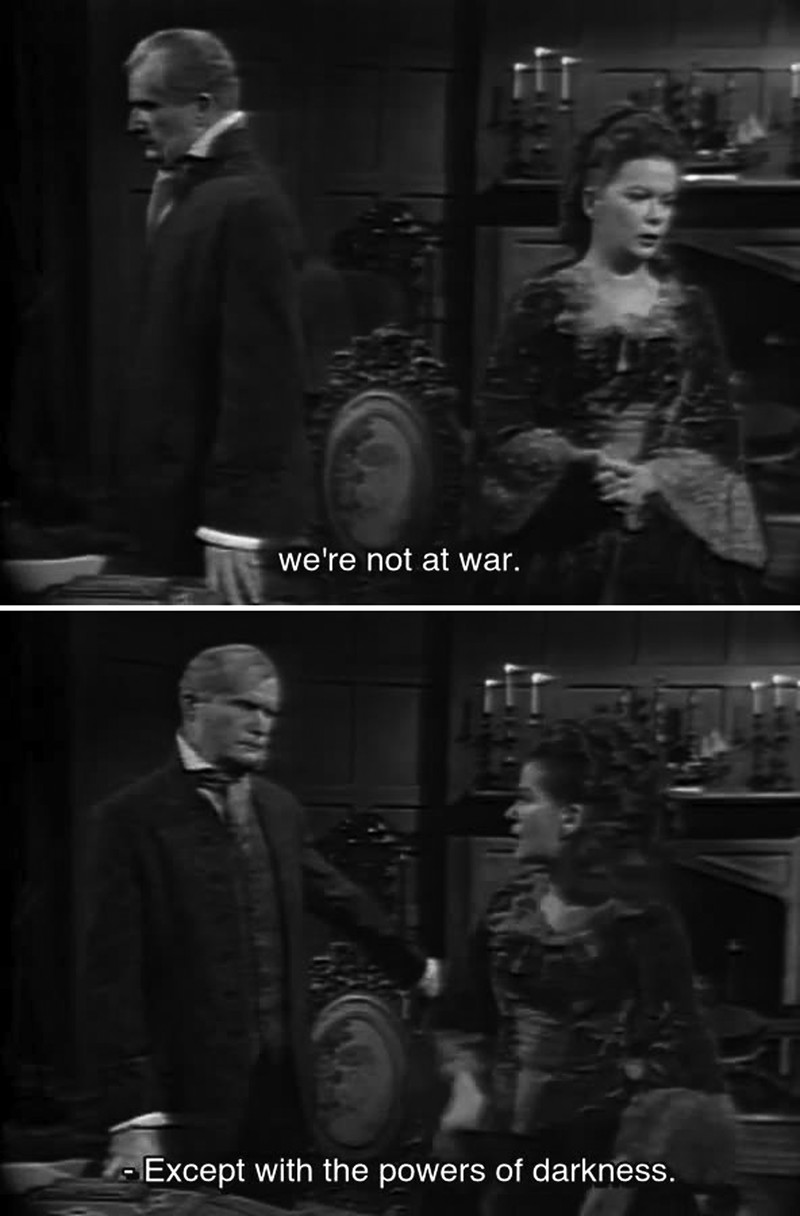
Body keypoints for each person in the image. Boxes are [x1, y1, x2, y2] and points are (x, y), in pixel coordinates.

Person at [82, 644, 441, 1200]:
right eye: (247, 706)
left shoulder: (278, 808)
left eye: (271, 712)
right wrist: (133, 1116)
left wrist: (415, 968)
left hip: (280, 1091)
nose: (262, 725)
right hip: (185, 1101)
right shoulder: (129, 819)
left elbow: (338, 897)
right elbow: (112, 981)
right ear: (193, 705)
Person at [421, 738, 739, 1216]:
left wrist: (626, 1171)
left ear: (570, 818)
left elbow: (676, 1053)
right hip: (505, 1140)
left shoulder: (641, 921)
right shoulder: (507, 909)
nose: (511, 813)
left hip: (605, 1150)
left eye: (526, 799)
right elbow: (465, 1018)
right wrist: (467, 1087)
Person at [474, 105, 767, 604]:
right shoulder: (544, 299)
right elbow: (501, 419)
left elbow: (715, 430)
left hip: (664, 516)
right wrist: (578, 462)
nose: (656, 216)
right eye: (638, 196)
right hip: (562, 513)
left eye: (667, 201)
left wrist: (654, 478)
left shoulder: (688, 306)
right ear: (592, 200)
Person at [120, 29, 311, 603]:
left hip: (210, 517)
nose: (133, 123)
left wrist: (236, 525)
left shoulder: (246, 204)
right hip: (169, 498)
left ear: (202, 107)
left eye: (149, 105)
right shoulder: (197, 193)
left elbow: (263, 379)